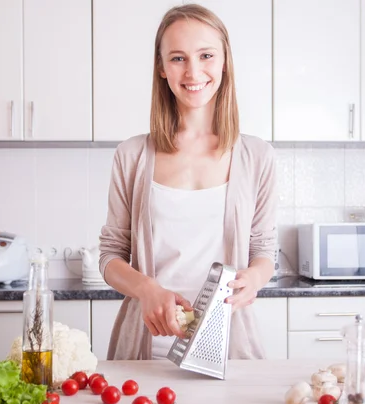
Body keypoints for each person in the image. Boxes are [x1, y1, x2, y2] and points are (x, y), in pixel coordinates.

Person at [98, 3, 277, 360]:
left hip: (230, 350)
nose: (193, 71)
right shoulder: (132, 155)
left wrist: (254, 279)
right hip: (147, 353)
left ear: (224, 61)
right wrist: (147, 289)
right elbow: (110, 257)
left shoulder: (257, 157)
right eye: (178, 58)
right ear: (161, 68)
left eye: (206, 55)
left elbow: (264, 250)